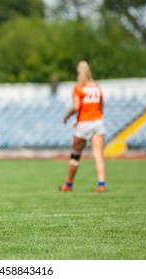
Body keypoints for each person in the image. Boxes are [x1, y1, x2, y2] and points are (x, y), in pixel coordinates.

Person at [59, 60, 106, 193]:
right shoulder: (97, 87)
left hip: (84, 123)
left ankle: (68, 184)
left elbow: (76, 107)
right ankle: (101, 184)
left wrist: (67, 116)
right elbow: (101, 107)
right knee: (98, 154)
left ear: (79, 72)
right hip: (98, 122)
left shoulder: (78, 87)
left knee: (75, 154)